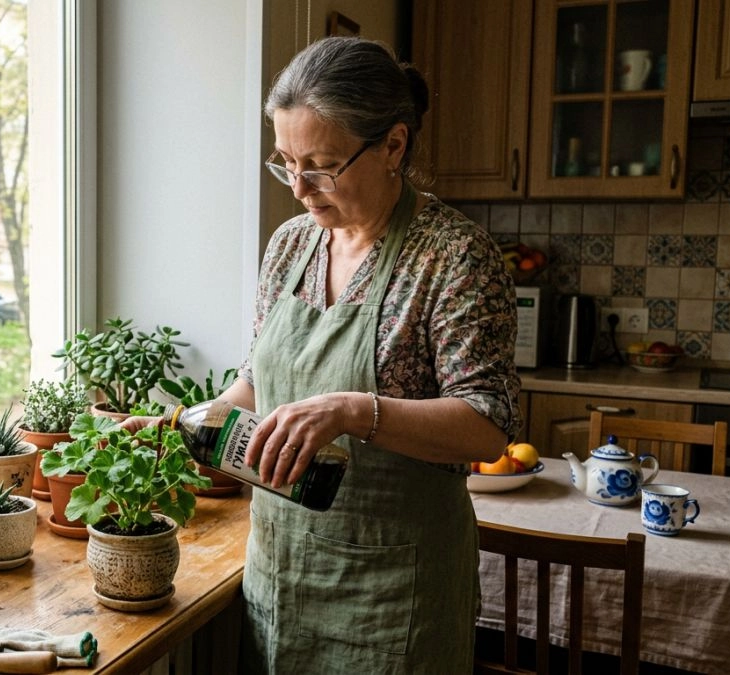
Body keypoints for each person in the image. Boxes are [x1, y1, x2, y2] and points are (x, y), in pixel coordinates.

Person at [126, 37, 520, 672]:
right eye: (285, 163)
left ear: (393, 145)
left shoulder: (454, 257)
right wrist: (184, 425)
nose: (301, 190)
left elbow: (487, 425)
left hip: (394, 597)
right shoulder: (289, 246)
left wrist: (351, 410)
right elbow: (259, 383)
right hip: (279, 576)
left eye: (323, 166)